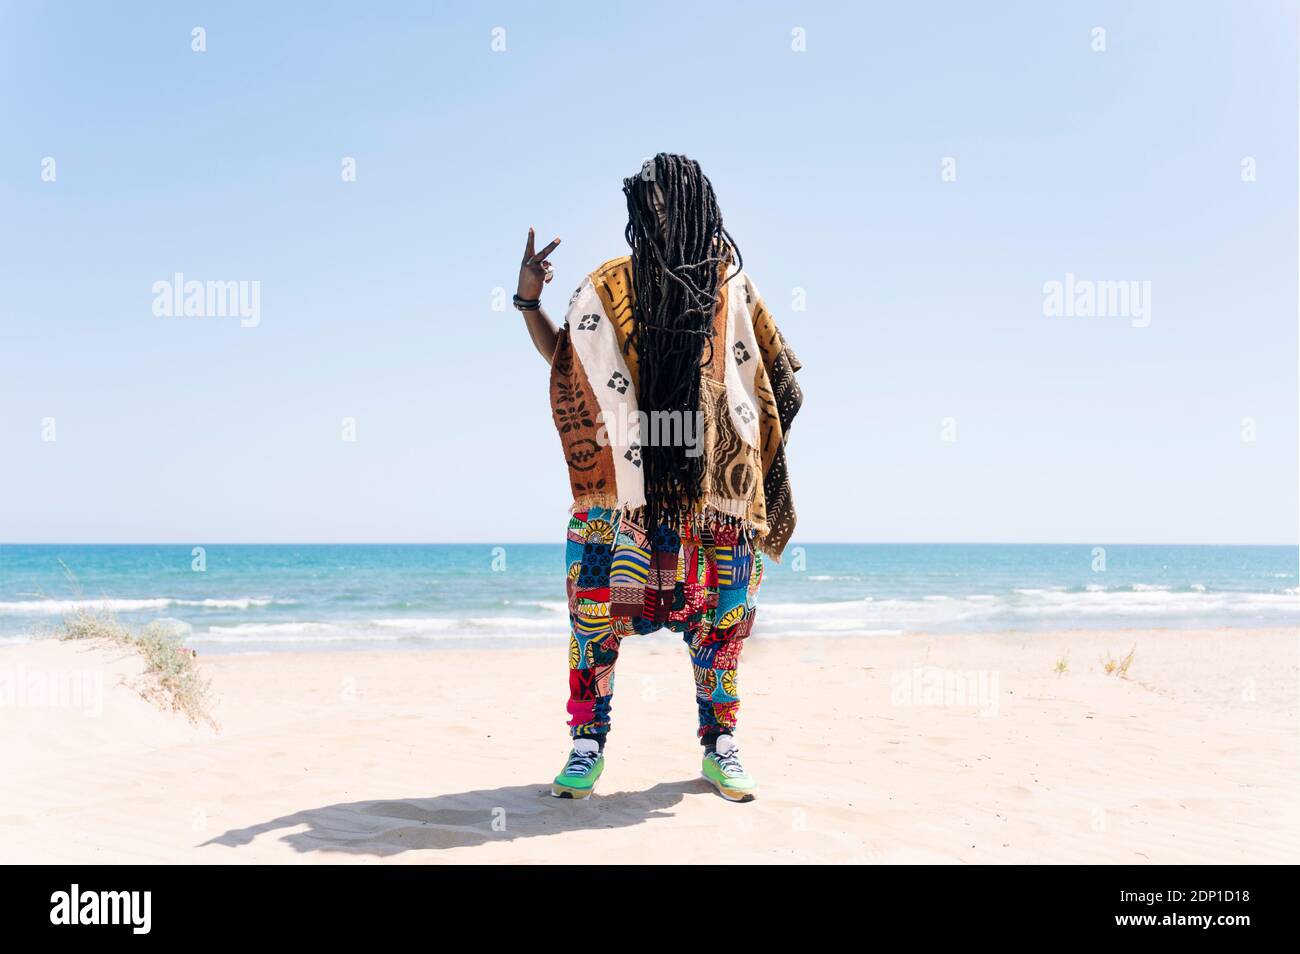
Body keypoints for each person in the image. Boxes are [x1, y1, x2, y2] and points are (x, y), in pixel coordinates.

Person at [513, 152, 802, 802]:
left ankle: (720, 746)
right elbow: (567, 359)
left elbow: (771, 378)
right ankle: (587, 744)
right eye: (648, 204)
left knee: (722, 631)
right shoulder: (609, 286)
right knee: (592, 621)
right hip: (621, 504)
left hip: (718, 501)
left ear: (699, 205)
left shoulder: (735, 289)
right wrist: (528, 298)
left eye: (669, 202)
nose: (658, 214)